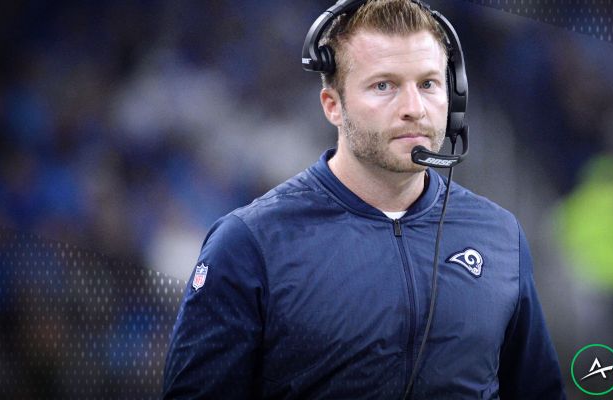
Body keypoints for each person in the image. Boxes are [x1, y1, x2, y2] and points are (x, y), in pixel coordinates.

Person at [163, 0, 565, 398]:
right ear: (333, 106)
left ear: (454, 97)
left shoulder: (499, 235)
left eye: (428, 84)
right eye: (383, 86)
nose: (414, 109)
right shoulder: (249, 244)